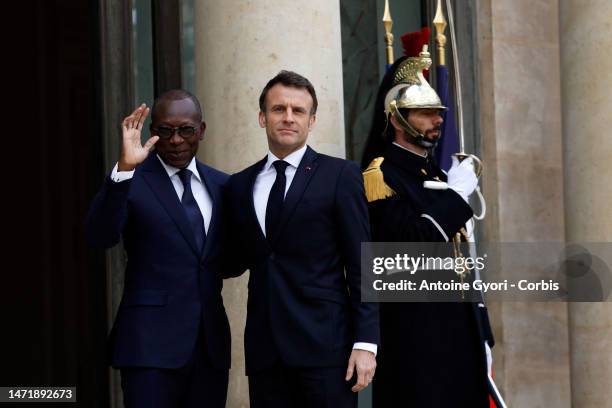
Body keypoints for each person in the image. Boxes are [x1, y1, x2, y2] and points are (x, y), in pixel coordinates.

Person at [224, 70, 379, 407]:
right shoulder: (239, 184)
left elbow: (362, 263)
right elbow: (235, 258)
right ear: (262, 118)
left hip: (325, 348)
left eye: (298, 111)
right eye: (279, 109)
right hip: (265, 353)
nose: (288, 118)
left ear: (312, 121)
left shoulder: (340, 175)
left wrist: (366, 343)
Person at [362, 50, 494, 407]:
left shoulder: (434, 172)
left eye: (439, 112)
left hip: (458, 328)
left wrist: (480, 327)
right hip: (417, 334)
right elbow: (412, 246)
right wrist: (455, 196)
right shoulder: (381, 175)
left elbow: (461, 257)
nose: (437, 120)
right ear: (397, 118)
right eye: (425, 113)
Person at [86, 90, 230, 408]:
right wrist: (124, 169)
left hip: (209, 350)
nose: (176, 140)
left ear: (201, 130)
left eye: (186, 130)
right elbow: (99, 236)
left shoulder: (223, 186)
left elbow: (230, 259)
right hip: (148, 348)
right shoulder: (131, 181)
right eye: (165, 130)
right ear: (152, 132)